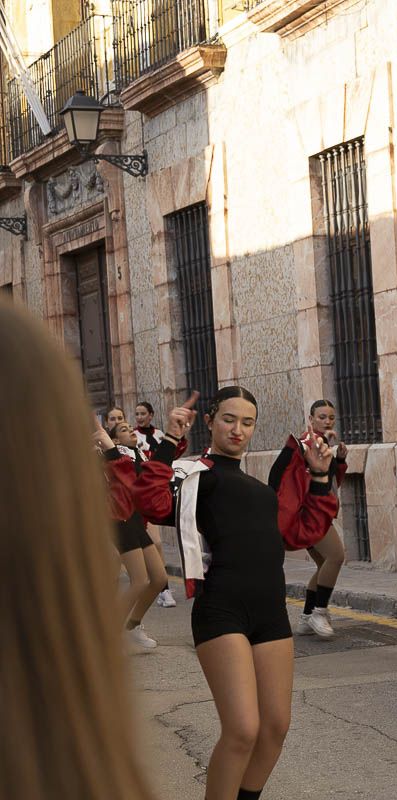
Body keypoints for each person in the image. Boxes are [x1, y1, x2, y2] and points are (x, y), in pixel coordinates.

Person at [135, 387, 339, 800]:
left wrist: (319, 478)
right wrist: (170, 442)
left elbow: (300, 533)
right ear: (209, 422)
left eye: (247, 422)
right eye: (229, 419)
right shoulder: (195, 476)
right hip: (221, 609)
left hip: (270, 613)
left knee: (275, 728)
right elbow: (150, 502)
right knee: (243, 729)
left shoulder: (260, 491)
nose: (238, 429)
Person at [0, 301, 155, 799]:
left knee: (154, 580)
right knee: (143, 580)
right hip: (119, 522)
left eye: (119, 417)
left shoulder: (129, 447)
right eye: (111, 418)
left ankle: (120, 630)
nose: (118, 421)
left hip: (131, 519)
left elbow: (141, 480)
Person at [268, 399, 349, 639]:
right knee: (336, 557)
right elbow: (279, 472)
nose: (327, 421)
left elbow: (330, 483)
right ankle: (319, 612)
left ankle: (307, 616)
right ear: (311, 419)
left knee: (324, 563)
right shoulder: (306, 444)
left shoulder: (324, 445)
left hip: (318, 513)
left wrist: (341, 461)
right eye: (322, 417)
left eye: (331, 417)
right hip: (308, 515)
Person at [97, 419, 168, 649]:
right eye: (124, 429)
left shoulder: (139, 454)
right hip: (121, 519)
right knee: (140, 580)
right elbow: (124, 479)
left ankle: (132, 625)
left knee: (159, 578)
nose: (131, 430)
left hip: (136, 519)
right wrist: (107, 445)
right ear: (115, 439)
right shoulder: (109, 457)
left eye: (129, 425)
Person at [132, 400, 179, 609]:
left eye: (143, 413)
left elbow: (172, 455)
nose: (139, 417)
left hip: (157, 492)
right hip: (137, 498)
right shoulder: (133, 438)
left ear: (151, 415)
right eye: (136, 414)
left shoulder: (161, 435)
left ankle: (164, 589)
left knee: (157, 544)